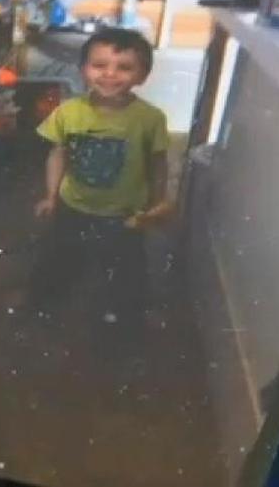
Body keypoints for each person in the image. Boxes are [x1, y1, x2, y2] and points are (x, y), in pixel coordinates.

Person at [31, 27, 173, 335]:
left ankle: (128, 316)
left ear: (142, 75)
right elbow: (57, 154)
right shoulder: (68, 112)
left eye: (124, 67)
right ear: (83, 70)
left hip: (125, 213)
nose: (110, 75)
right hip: (74, 205)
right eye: (99, 65)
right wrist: (50, 196)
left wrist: (158, 201)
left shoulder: (150, 119)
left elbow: (157, 162)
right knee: (61, 257)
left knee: (127, 269)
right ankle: (44, 304)